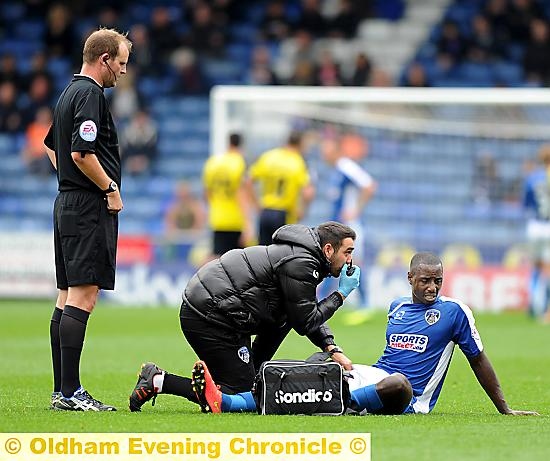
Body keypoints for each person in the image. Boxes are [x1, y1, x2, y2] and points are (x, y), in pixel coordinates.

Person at [129, 221, 361, 413]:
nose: (350, 260)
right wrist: (341, 294)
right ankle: (158, 380)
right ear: (329, 250)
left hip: (224, 313)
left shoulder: (302, 256)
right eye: (347, 252)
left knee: (255, 380)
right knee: (239, 395)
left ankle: (250, 376)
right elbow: (306, 320)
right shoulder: (301, 263)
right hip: (208, 315)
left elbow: (299, 310)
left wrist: (331, 347)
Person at [43, 27, 132, 411]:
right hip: (86, 207)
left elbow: (52, 147)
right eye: (122, 64)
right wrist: (109, 188)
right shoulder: (90, 94)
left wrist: (71, 182)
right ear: (105, 59)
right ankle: (70, 393)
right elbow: (81, 153)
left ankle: (62, 390)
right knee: (83, 296)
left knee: (66, 296)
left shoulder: (68, 93)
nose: (124, 72)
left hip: (67, 203)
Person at [345, 252, 539, 415]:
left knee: (398, 383)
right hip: (377, 375)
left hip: (410, 396)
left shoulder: (454, 312)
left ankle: (345, 403)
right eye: (425, 281)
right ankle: (332, 399)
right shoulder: (397, 307)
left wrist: (504, 408)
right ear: (410, 278)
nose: (432, 287)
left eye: (438, 281)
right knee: (332, 365)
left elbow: (478, 359)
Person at [320, 130, 376, 313]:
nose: (323, 154)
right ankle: (321, 299)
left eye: (326, 150)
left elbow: (369, 186)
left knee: (352, 261)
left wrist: (355, 210)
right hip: (338, 227)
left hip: (350, 226)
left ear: (335, 150)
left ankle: (365, 303)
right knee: (331, 259)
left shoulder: (346, 166)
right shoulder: (335, 170)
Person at [248, 131, 315, 245]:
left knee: (263, 254)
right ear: (300, 145)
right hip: (284, 214)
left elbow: (248, 181)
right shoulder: (298, 162)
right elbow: (308, 192)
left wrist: (256, 204)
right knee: (282, 254)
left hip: (265, 211)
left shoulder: (268, 157)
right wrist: (302, 210)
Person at [202, 132, 253, 257]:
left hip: (218, 219)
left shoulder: (212, 163)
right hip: (236, 221)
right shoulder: (241, 163)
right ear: (241, 145)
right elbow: (242, 194)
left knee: (217, 261)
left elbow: (207, 194)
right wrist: (248, 224)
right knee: (239, 263)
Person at [523, 143, 550, 323]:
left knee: (536, 267)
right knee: (547, 269)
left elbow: (526, 204)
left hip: (534, 226)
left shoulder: (532, 178)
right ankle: (547, 311)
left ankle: (533, 306)